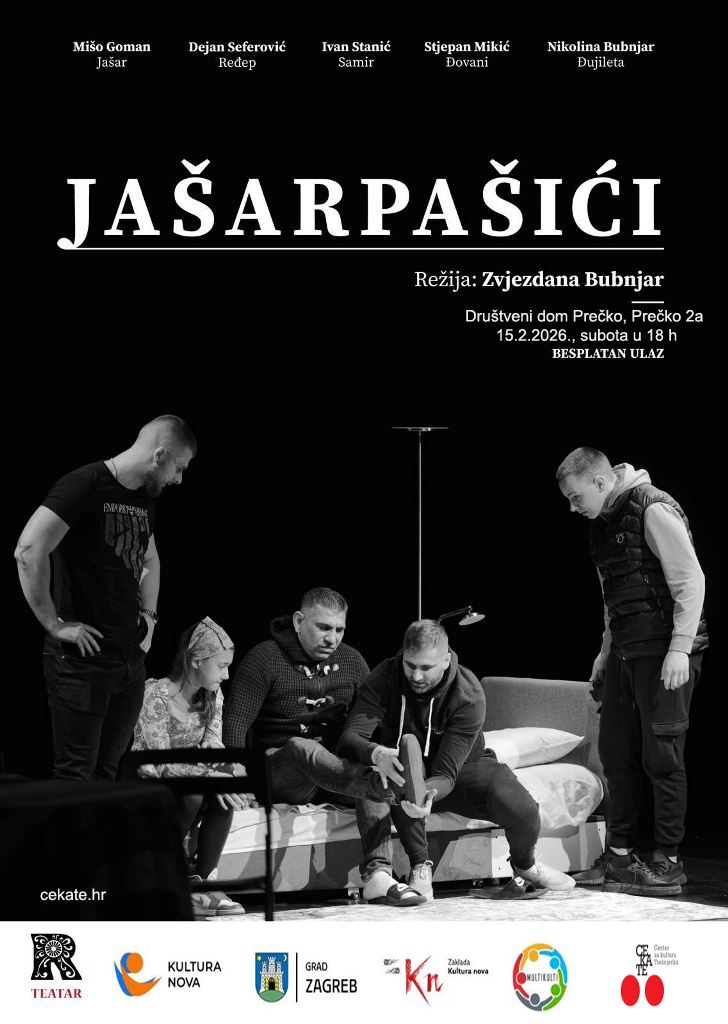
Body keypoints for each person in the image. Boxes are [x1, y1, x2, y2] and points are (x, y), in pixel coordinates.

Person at [338, 619, 576, 906]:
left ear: (446, 660)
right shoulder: (385, 676)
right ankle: (420, 866)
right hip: (404, 764)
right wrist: (377, 753)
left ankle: (525, 866)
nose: (416, 675)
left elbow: (446, 774)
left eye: (426, 667)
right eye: (410, 665)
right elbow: (350, 738)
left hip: (463, 767)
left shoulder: (468, 694)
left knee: (523, 809)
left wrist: (428, 793)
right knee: (398, 776)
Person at [556, 447, 708, 896]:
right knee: (616, 752)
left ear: (600, 482)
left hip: (666, 651)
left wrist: (680, 648)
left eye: (576, 496)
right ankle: (619, 856)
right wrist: (605, 652)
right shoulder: (602, 523)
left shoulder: (652, 507)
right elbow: (614, 595)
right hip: (626, 650)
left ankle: (668, 862)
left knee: (662, 757)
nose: (573, 507)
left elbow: (690, 581)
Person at [14, 414, 196, 781]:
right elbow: (29, 550)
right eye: (179, 467)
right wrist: (53, 624)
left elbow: (149, 558)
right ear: (160, 454)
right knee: (76, 775)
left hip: (129, 661)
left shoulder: (144, 498)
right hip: (82, 662)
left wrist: (150, 619)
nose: (179, 479)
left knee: (108, 776)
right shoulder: (85, 484)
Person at [223, 587, 409, 810]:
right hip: (282, 775)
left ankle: (392, 790)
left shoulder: (352, 661)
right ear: (298, 621)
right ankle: (383, 789)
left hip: (338, 775)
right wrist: (235, 778)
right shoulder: (263, 659)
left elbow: (375, 721)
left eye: (339, 630)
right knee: (301, 747)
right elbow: (234, 725)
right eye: (323, 628)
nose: (332, 639)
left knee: (373, 791)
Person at [132, 616, 248, 919]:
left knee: (224, 790)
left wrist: (229, 770)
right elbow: (160, 762)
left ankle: (205, 884)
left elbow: (212, 742)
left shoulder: (212, 695)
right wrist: (209, 775)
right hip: (150, 781)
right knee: (195, 791)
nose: (226, 675)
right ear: (196, 660)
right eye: (221, 666)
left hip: (192, 777)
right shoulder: (156, 695)